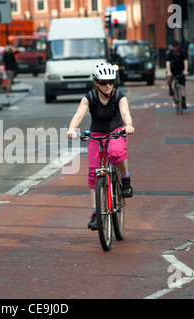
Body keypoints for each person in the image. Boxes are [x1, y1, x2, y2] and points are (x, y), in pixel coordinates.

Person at [67, 62, 134, 230]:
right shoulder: (89, 97)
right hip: (96, 135)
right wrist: (71, 129)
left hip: (117, 132)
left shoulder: (119, 96)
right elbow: (79, 115)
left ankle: (125, 178)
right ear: (96, 82)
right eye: (103, 82)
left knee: (115, 153)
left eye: (111, 81)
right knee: (93, 173)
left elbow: (125, 112)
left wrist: (129, 124)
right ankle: (96, 214)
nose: (108, 85)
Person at [166, 40, 189, 109]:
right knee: (169, 79)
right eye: (173, 46)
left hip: (180, 71)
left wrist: (185, 70)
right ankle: (170, 88)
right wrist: (169, 72)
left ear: (178, 46)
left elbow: (185, 61)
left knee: (182, 87)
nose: (175, 47)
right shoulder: (170, 53)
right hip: (172, 71)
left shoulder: (182, 52)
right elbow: (168, 63)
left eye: (176, 46)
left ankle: (183, 102)